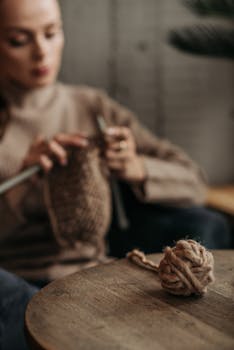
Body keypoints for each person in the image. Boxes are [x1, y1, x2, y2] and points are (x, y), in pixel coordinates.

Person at [0, 0, 231, 349]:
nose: (42, 52)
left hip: (94, 272)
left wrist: (137, 168)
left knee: (205, 223)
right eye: (19, 40)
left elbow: (193, 180)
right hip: (18, 280)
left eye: (51, 33)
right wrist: (19, 182)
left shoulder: (91, 107)